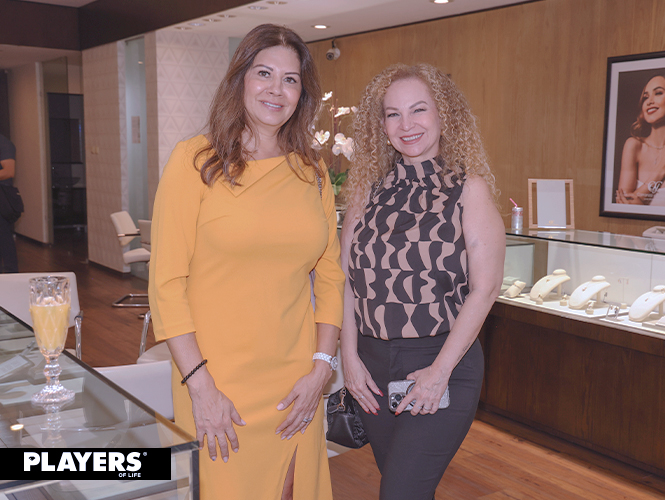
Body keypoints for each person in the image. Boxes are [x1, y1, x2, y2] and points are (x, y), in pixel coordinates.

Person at [148, 24, 344, 500]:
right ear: (240, 79)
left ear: (302, 93)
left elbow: (330, 276)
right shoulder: (195, 161)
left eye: (290, 79)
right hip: (216, 379)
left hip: (296, 379)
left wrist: (322, 367)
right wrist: (200, 387)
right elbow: (167, 284)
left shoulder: (313, 170)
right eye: (264, 73)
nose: (277, 89)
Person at [339, 63, 505, 500]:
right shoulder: (367, 192)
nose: (406, 124)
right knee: (405, 487)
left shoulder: (468, 190)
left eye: (418, 110)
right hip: (371, 369)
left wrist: (439, 372)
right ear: (381, 126)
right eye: (393, 114)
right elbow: (347, 281)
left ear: (443, 114)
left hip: (440, 362)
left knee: (400, 492)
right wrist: (348, 358)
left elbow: (485, 288)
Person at [616, 74, 665, 205]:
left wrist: (638, 198)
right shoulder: (634, 146)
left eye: (658, 93)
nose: (649, 101)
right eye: (645, 97)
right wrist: (659, 172)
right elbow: (624, 205)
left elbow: (631, 203)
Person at [0, 133, 18, 273]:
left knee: (3, 237)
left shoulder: (4, 143)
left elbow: (9, 171)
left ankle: (12, 275)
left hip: (2, 198)